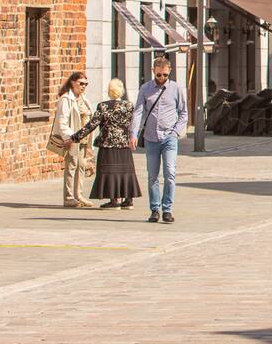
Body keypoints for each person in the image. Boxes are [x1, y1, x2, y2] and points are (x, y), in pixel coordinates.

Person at [130, 57, 188, 224]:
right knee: (152, 175)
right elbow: (138, 112)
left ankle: (167, 209)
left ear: (169, 71)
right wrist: (133, 134)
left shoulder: (176, 88)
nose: (161, 78)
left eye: (164, 74)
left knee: (170, 173)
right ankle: (155, 209)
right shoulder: (146, 88)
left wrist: (176, 131)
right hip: (151, 137)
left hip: (169, 137)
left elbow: (184, 113)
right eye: (158, 75)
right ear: (153, 71)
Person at [71, 78, 141, 209]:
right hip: (124, 145)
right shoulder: (129, 106)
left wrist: (75, 137)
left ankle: (114, 201)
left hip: (108, 145)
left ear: (109, 91)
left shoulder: (103, 106)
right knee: (126, 172)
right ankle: (128, 200)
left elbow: (92, 125)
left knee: (110, 172)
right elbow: (134, 123)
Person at [52, 71, 94, 208]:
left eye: (86, 84)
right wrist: (69, 137)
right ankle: (69, 197)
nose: (83, 87)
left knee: (81, 165)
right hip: (72, 138)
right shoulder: (66, 99)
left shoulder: (83, 98)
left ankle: (79, 195)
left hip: (83, 138)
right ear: (72, 82)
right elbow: (62, 121)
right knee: (71, 166)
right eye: (81, 83)